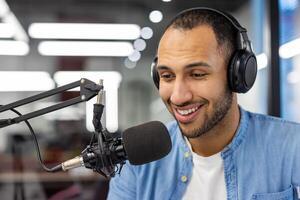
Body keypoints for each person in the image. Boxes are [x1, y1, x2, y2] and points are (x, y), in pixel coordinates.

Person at [108, 7, 300, 200]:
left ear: (238, 75)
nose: (178, 97)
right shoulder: (137, 163)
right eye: (167, 76)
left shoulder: (293, 148)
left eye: (197, 74)